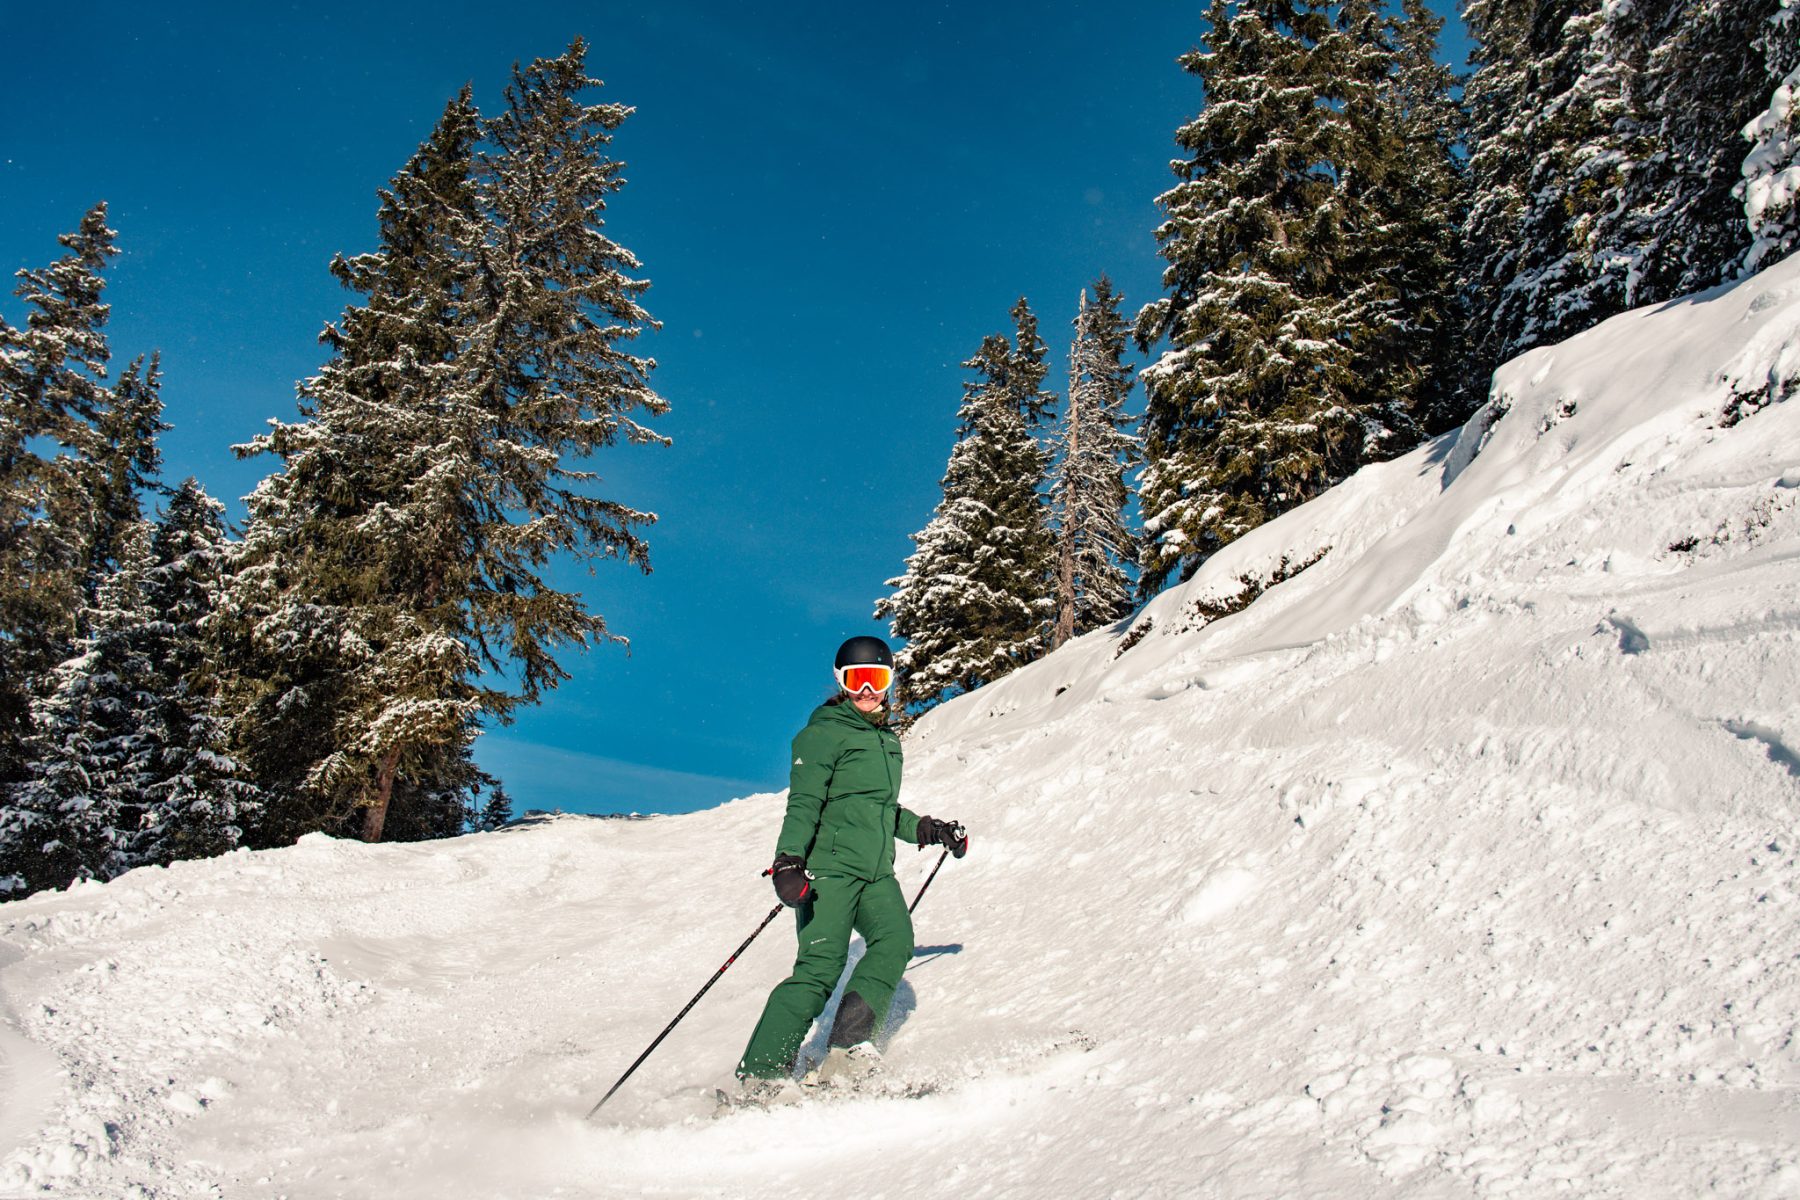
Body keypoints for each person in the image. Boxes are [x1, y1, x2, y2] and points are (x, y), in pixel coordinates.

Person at [734, 635, 967, 1096]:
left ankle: (847, 1049)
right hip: (830, 873)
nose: (867, 691)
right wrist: (788, 861)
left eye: (876, 679)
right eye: (857, 680)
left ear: (889, 682)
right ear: (842, 682)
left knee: (895, 940)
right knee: (820, 969)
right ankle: (762, 1074)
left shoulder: (886, 741)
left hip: (876, 871)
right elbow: (803, 804)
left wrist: (928, 828)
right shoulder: (822, 734)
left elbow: (881, 808)